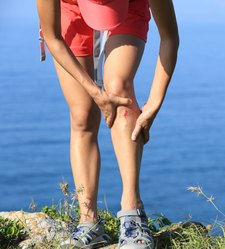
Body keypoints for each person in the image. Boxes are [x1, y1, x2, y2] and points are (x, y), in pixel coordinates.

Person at [36, 0, 179, 248]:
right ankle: (89, 221)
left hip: (129, 4)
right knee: (82, 114)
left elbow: (169, 37)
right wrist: (93, 91)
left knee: (119, 90)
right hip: (70, 8)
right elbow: (52, 36)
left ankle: (132, 211)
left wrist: (155, 102)